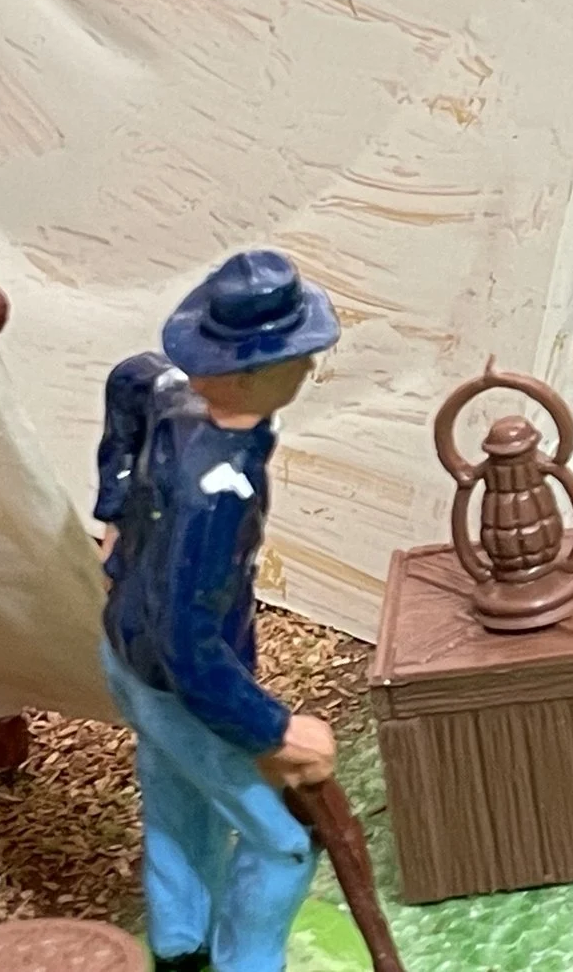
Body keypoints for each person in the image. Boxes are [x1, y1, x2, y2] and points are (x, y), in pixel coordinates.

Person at [94, 251, 343, 972]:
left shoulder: (174, 391)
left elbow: (128, 378)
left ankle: (179, 942)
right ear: (249, 372)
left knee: (179, 801)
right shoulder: (221, 491)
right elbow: (190, 645)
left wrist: (113, 507)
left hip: (126, 655)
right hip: (179, 687)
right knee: (281, 841)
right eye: (299, 355)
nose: (309, 366)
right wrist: (275, 731)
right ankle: (246, 964)